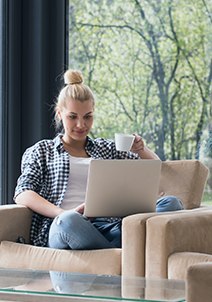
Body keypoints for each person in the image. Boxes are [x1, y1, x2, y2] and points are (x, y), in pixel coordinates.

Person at [14, 69, 182, 250]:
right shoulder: (42, 150)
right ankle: (128, 249)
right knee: (69, 221)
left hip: (110, 226)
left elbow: (155, 169)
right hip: (65, 226)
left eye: (88, 117)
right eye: (72, 117)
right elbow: (23, 193)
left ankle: (118, 248)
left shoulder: (106, 148)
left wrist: (141, 150)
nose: (81, 125)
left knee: (171, 203)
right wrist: (63, 212)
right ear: (60, 114)